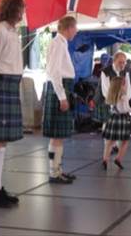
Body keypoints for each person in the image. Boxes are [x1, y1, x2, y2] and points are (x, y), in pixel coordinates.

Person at [0, 0, 25, 207]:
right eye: (20, 9)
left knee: (1, 143)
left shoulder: (13, 33)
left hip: (9, 88)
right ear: (11, 8)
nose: (22, 14)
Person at [43, 16, 77, 184]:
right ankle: (54, 173)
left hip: (62, 88)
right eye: (75, 28)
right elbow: (54, 72)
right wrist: (62, 97)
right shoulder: (57, 43)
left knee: (58, 136)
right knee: (57, 135)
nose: (76, 32)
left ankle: (57, 170)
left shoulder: (61, 43)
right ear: (69, 28)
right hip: (59, 89)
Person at [101, 51, 131, 166]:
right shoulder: (106, 72)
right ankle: (106, 159)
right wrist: (117, 98)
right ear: (114, 61)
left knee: (123, 138)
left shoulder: (126, 72)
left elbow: (129, 91)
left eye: (124, 62)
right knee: (111, 137)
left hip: (123, 106)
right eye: (120, 62)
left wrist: (125, 97)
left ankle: (117, 158)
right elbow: (105, 91)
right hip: (111, 105)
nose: (123, 64)